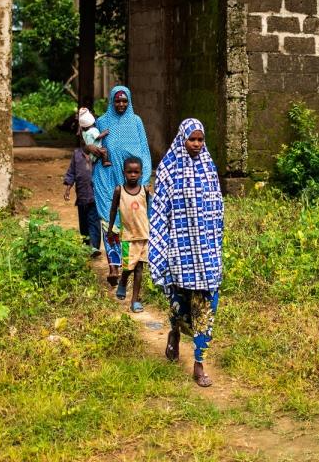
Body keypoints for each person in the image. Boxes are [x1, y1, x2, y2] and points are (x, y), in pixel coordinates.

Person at [149, 118, 224, 387]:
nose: (196, 144)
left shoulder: (209, 168)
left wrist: (215, 247)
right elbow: (159, 212)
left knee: (206, 306)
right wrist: (160, 247)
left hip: (206, 254)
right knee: (178, 304)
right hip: (179, 253)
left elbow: (218, 211)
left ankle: (199, 362)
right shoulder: (169, 169)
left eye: (200, 139)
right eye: (192, 139)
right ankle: (175, 333)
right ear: (182, 138)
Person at [92, 86, 152, 287]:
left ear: (129, 101)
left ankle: (129, 262)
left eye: (124, 101)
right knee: (107, 220)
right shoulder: (101, 122)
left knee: (128, 222)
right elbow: (91, 149)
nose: (121, 104)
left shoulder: (136, 122)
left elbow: (144, 151)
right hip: (106, 178)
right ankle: (113, 266)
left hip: (130, 181)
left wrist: (143, 181)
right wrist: (94, 149)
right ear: (111, 101)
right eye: (117, 101)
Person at [107, 157, 151, 313]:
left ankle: (134, 301)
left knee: (139, 268)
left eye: (136, 172)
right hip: (127, 236)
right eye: (129, 172)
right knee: (128, 267)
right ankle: (123, 282)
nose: (133, 175)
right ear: (124, 172)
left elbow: (149, 210)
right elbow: (113, 210)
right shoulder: (119, 190)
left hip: (143, 235)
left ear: (141, 173)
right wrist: (111, 228)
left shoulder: (145, 191)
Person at [62, 136, 100, 256]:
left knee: (93, 221)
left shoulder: (97, 156)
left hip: (95, 196)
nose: (87, 142)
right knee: (83, 223)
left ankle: (94, 246)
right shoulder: (77, 154)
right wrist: (68, 188)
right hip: (82, 195)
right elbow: (71, 172)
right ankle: (86, 245)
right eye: (85, 139)